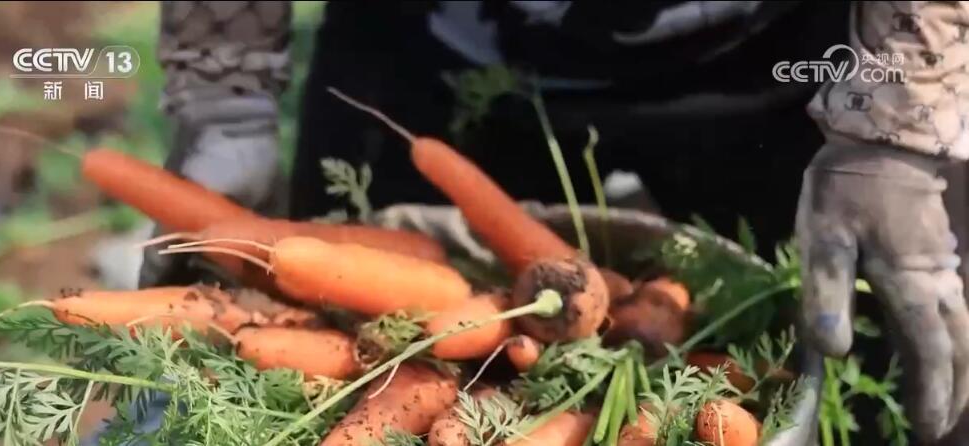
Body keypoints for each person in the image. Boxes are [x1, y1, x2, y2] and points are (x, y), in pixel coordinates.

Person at [137, 2, 969, 444]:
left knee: (871, 373)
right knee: (314, 308)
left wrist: (898, 125)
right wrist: (226, 101)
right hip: (435, 49)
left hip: (791, 56)